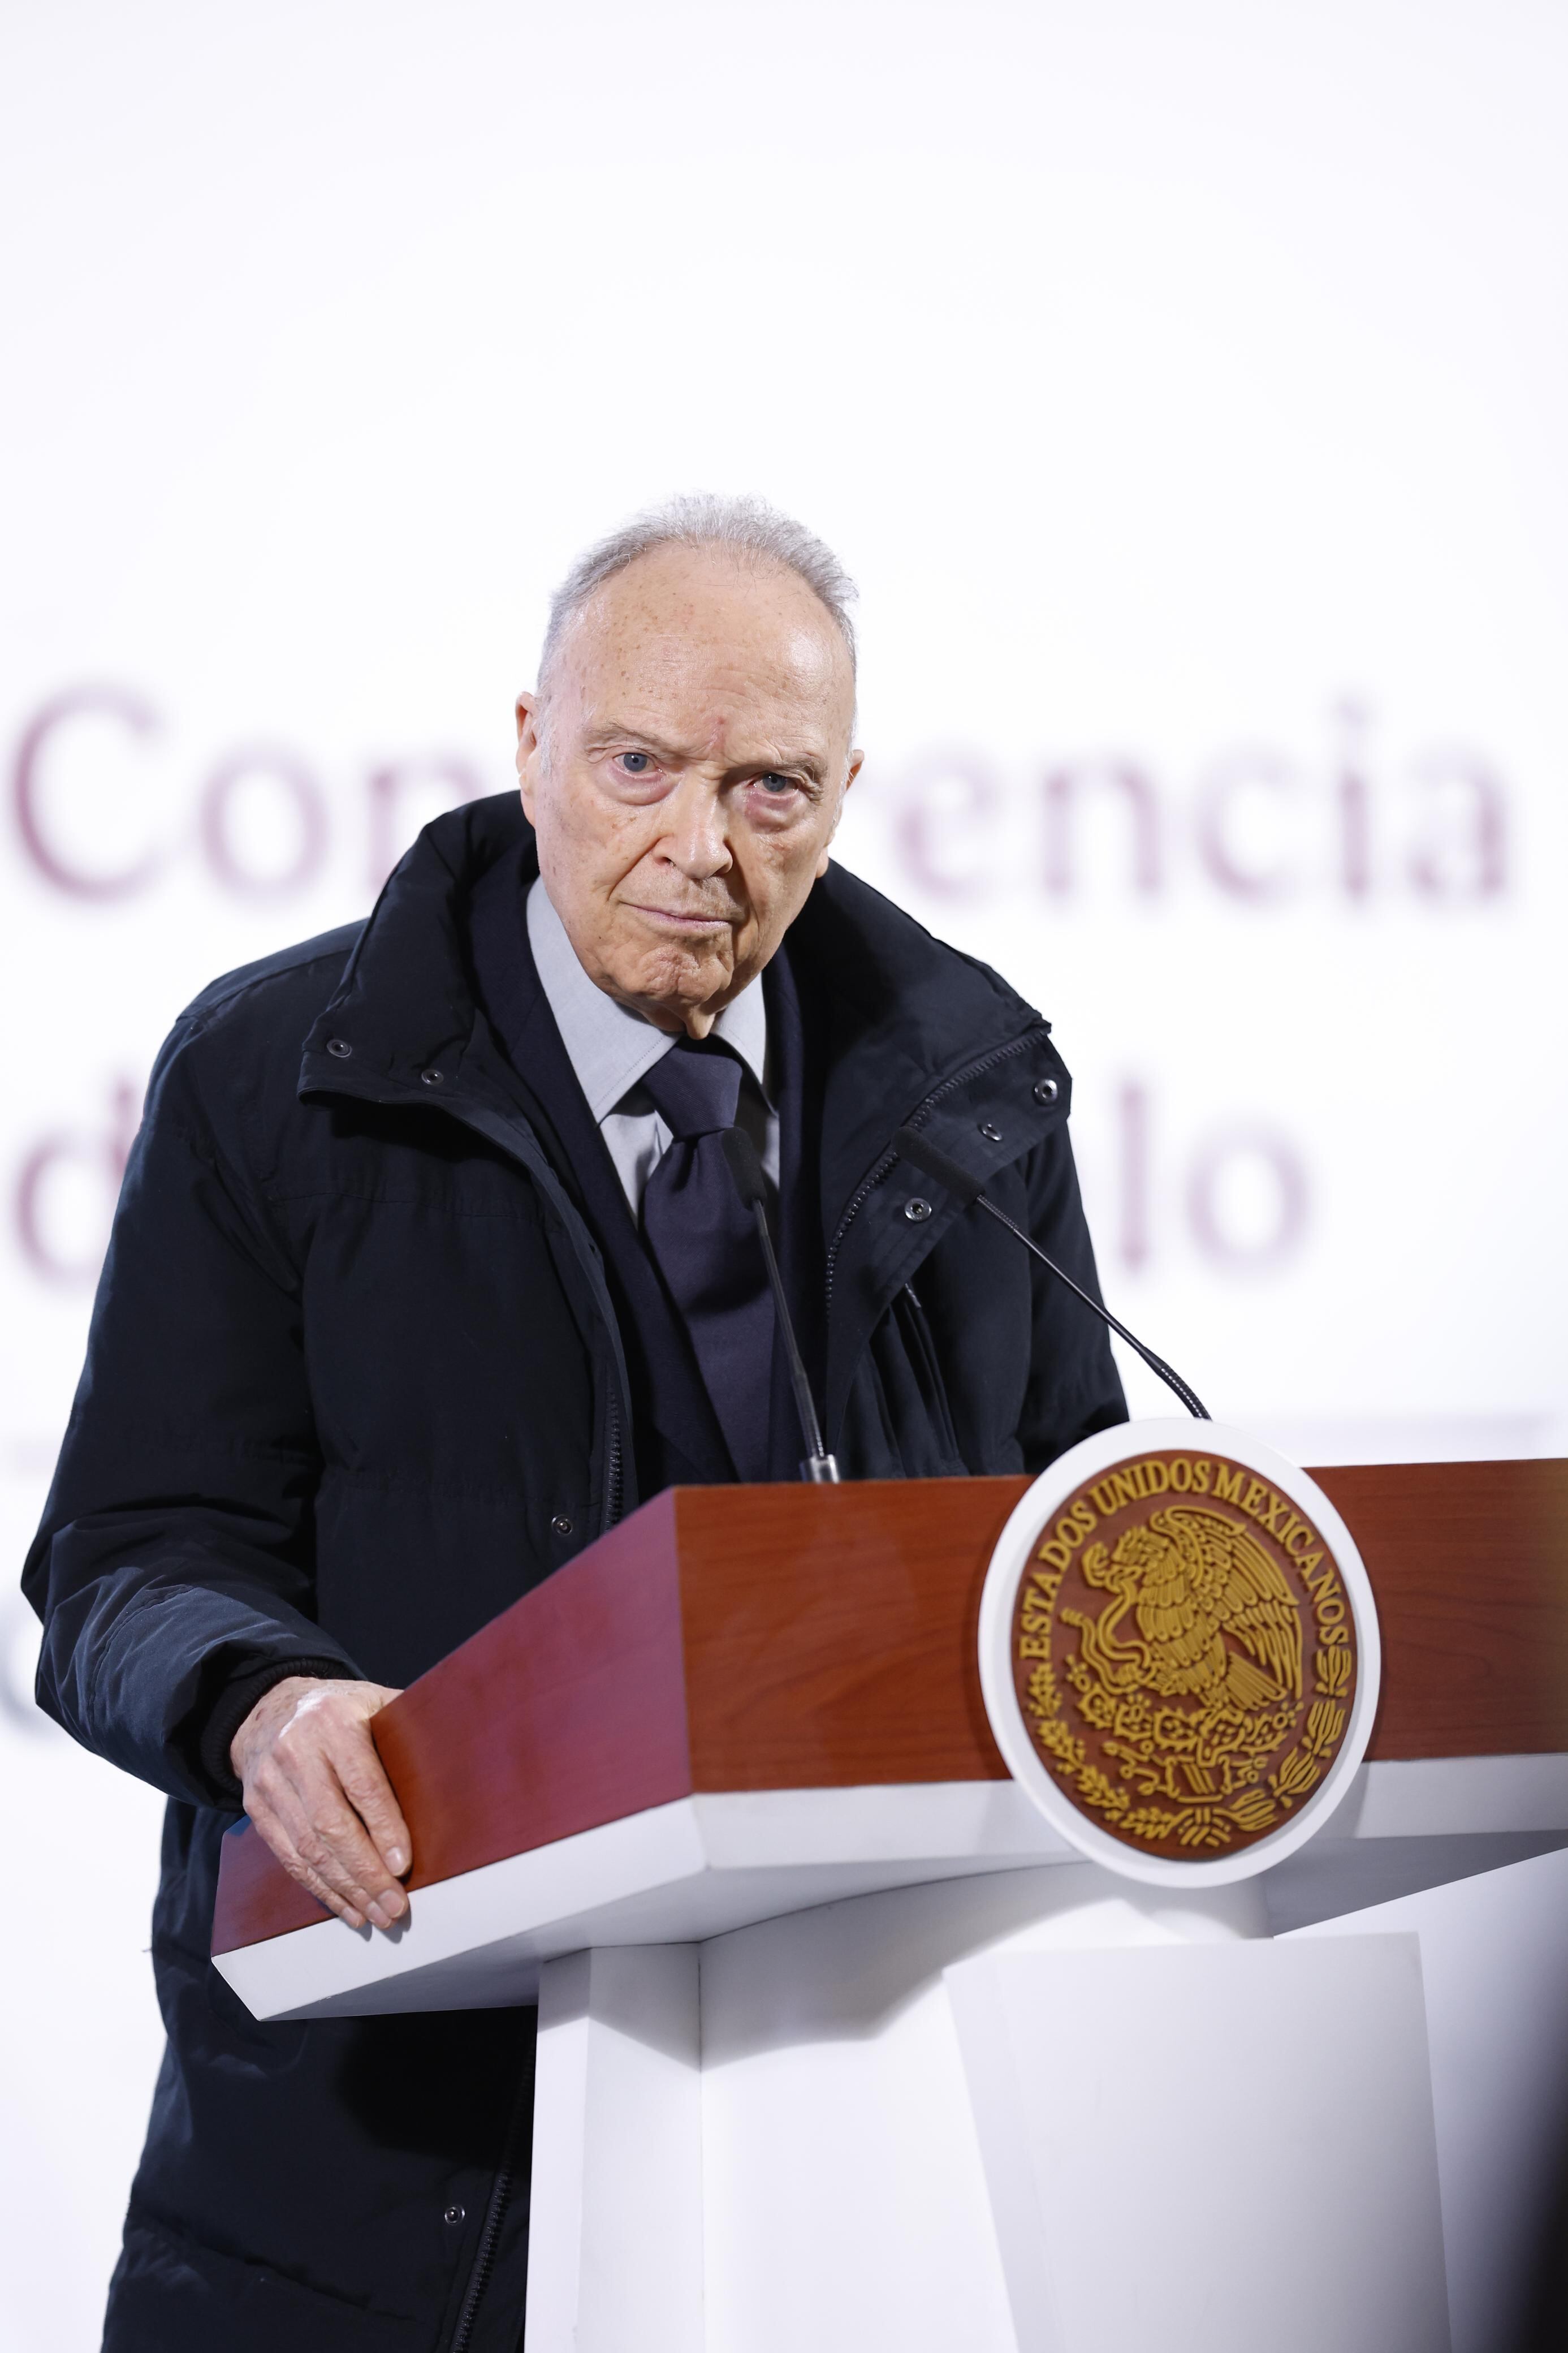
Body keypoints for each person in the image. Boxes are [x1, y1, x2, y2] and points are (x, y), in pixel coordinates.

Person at [23, 494, 1126, 2351]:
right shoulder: (275, 1079)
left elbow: (1078, 1531)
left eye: (771, 789)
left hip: (862, 2147)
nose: (701, 848)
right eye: (639, 766)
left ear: (848, 788)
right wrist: (266, 1706)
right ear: (531, 747)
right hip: (393, 2151)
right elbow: (128, 1561)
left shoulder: (976, 1096)